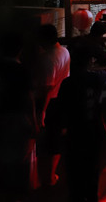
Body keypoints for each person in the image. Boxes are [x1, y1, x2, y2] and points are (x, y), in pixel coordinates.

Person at [54, 44, 106, 202]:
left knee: (73, 168)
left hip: (74, 131)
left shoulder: (67, 83)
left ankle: (76, 195)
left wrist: (61, 128)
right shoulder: (96, 78)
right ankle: (91, 196)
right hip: (93, 130)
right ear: (90, 61)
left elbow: (60, 108)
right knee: (92, 167)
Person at [0, 31, 36, 200]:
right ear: (19, 49)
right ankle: (11, 193)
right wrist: (34, 122)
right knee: (19, 157)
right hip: (16, 118)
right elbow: (28, 98)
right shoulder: (20, 70)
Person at [32, 24, 70, 187]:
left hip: (50, 103)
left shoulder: (47, 58)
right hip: (61, 100)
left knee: (46, 143)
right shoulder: (64, 51)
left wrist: (42, 112)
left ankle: (44, 179)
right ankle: (51, 175)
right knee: (56, 142)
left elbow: (47, 88)